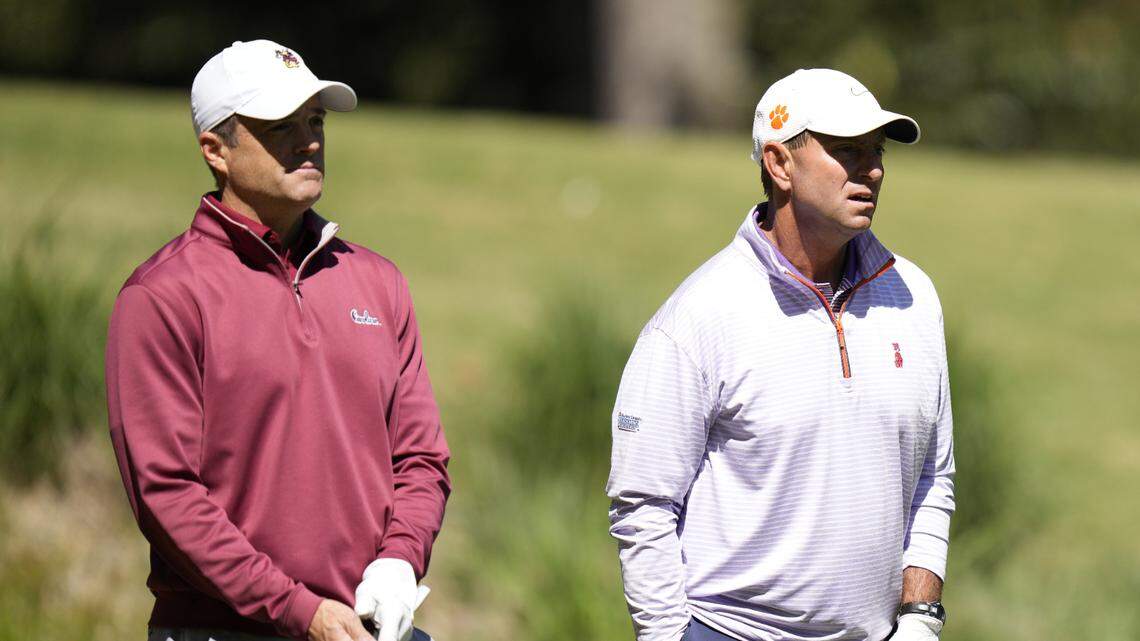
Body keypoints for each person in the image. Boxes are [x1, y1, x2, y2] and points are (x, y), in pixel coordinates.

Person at [105, 40, 450, 641]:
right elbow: (168, 497)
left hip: (371, 625)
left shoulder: (378, 281)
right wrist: (298, 610)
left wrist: (400, 560)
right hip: (225, 628)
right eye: (279, 126)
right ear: (216, 149)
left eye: (315, 120)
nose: (309, 140)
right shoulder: (162, 296)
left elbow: (420, 458)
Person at [606, 68, 955, 641]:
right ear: (779, 164)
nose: (872, 169)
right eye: (847, 150)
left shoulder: (913, 297)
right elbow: (643, 504)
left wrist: (920, 620)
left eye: (877, 150)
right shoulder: (700, 315)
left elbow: (932, 479)